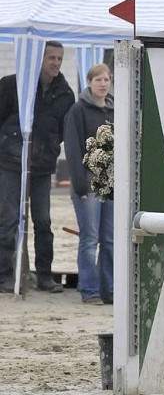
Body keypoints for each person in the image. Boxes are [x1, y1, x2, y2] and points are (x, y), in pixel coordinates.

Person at [0, 41, 75, 293]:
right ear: (39, 59)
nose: (55, 63)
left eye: (59, 59)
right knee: (9, 220)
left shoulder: (65, 93)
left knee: (42, 221)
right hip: (10, 163)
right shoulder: (12, 84)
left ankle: (45, 275)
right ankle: (5, 276)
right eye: (51, 58)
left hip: (43, 166)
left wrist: (49, 145)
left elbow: (64, 131)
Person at [63, 63, 114, 305]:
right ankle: (90, 289)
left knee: (110, 239)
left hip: (110, 187)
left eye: (106, 79)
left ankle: (110, 289)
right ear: (89, 82)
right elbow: (73, 149)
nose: (103, 84)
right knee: (90, 238)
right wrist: (80, 186)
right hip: (87, 186)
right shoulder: (77, 111)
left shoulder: (114, 111)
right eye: (98, 80)